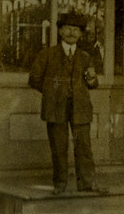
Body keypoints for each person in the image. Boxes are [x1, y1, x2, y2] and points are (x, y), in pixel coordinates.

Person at [28, 12, 103, 195]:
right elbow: (34, 79)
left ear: (81, 34)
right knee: (59, 147)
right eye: (68, 28)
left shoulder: (85, 56)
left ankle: (87, 184)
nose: (71, 33)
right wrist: (52, 93)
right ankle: (60, 185)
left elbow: (92, 83)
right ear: (60, 31)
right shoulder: (47, 54)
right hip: (55, 108)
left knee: (84, 146)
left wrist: (92, 79)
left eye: (76, 30)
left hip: (80, 108)